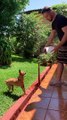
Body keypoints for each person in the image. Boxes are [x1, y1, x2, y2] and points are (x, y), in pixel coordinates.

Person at [42, 7, 67, 86]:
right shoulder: (54, 22)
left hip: (65, 44)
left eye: (47, 16)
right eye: (45, 17)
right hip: (63, 45)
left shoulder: (61, 19)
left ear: (51, 12)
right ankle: (58, 81)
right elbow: (52, 35)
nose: (46, 18)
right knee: (60, 61)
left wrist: (58, 46)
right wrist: (46, 46)